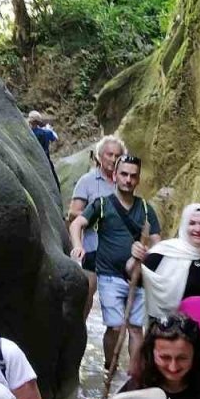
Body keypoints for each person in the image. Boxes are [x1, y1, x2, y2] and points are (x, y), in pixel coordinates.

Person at [69, 154, 161, 367]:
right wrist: (78, 245)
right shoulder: (102, 205)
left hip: (138, 277)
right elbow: (77, 224)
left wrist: (146, 253)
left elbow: (158, 243)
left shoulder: (146, 209)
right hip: (109, 276)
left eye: (133, 176)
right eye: (124, 175)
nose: (128, 180)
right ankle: (109, 368)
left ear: (138, 179)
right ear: (115, 175)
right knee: (115, 327)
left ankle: (133, 376)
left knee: (137, 329)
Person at [67, 134, 128, 318]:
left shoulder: (125, 183)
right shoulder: (87, 181)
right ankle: (78, 339)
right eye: (109, 154)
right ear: (99, 157)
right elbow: (72, 214)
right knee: (84, 300)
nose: (113, 158)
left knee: (117, 311)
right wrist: (98, 216)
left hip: (119, 256)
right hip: (92, 251)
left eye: (117, 155)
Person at [28, 111, 60, 188]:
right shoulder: (46, 132)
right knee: (54, 181)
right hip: (46, 159)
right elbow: (55, 138)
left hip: (33, 161)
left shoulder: (29, 134)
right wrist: (49, 129)